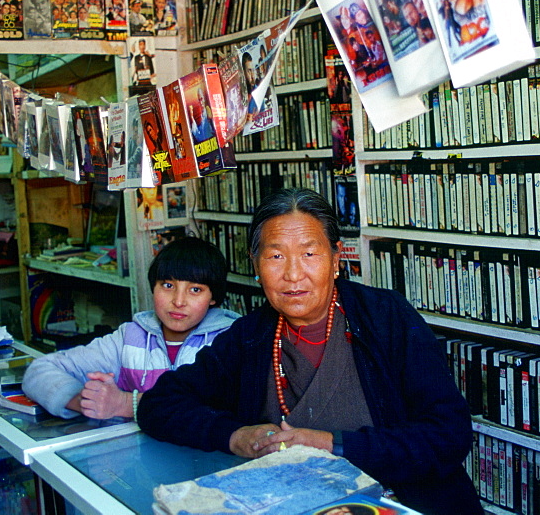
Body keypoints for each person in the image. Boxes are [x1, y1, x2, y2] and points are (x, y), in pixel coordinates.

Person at [138, 188, 481, 515]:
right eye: (275, 256)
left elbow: (449, 434)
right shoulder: (250, 336)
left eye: (309, 253)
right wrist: (235, 436)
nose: (292, 274)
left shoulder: (386, 317)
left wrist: (332, 444)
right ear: (255, 265)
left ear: (335, 259)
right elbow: (159, 404)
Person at [23, 237, 239, 420]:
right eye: (168, 285)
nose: (178, 301)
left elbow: (208, 409)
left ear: (213, 298)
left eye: (194, 289)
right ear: (153, 286)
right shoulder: (130, 338)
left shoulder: (232, 341)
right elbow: (39, 370)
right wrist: (85, 401)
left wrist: (124, 403)